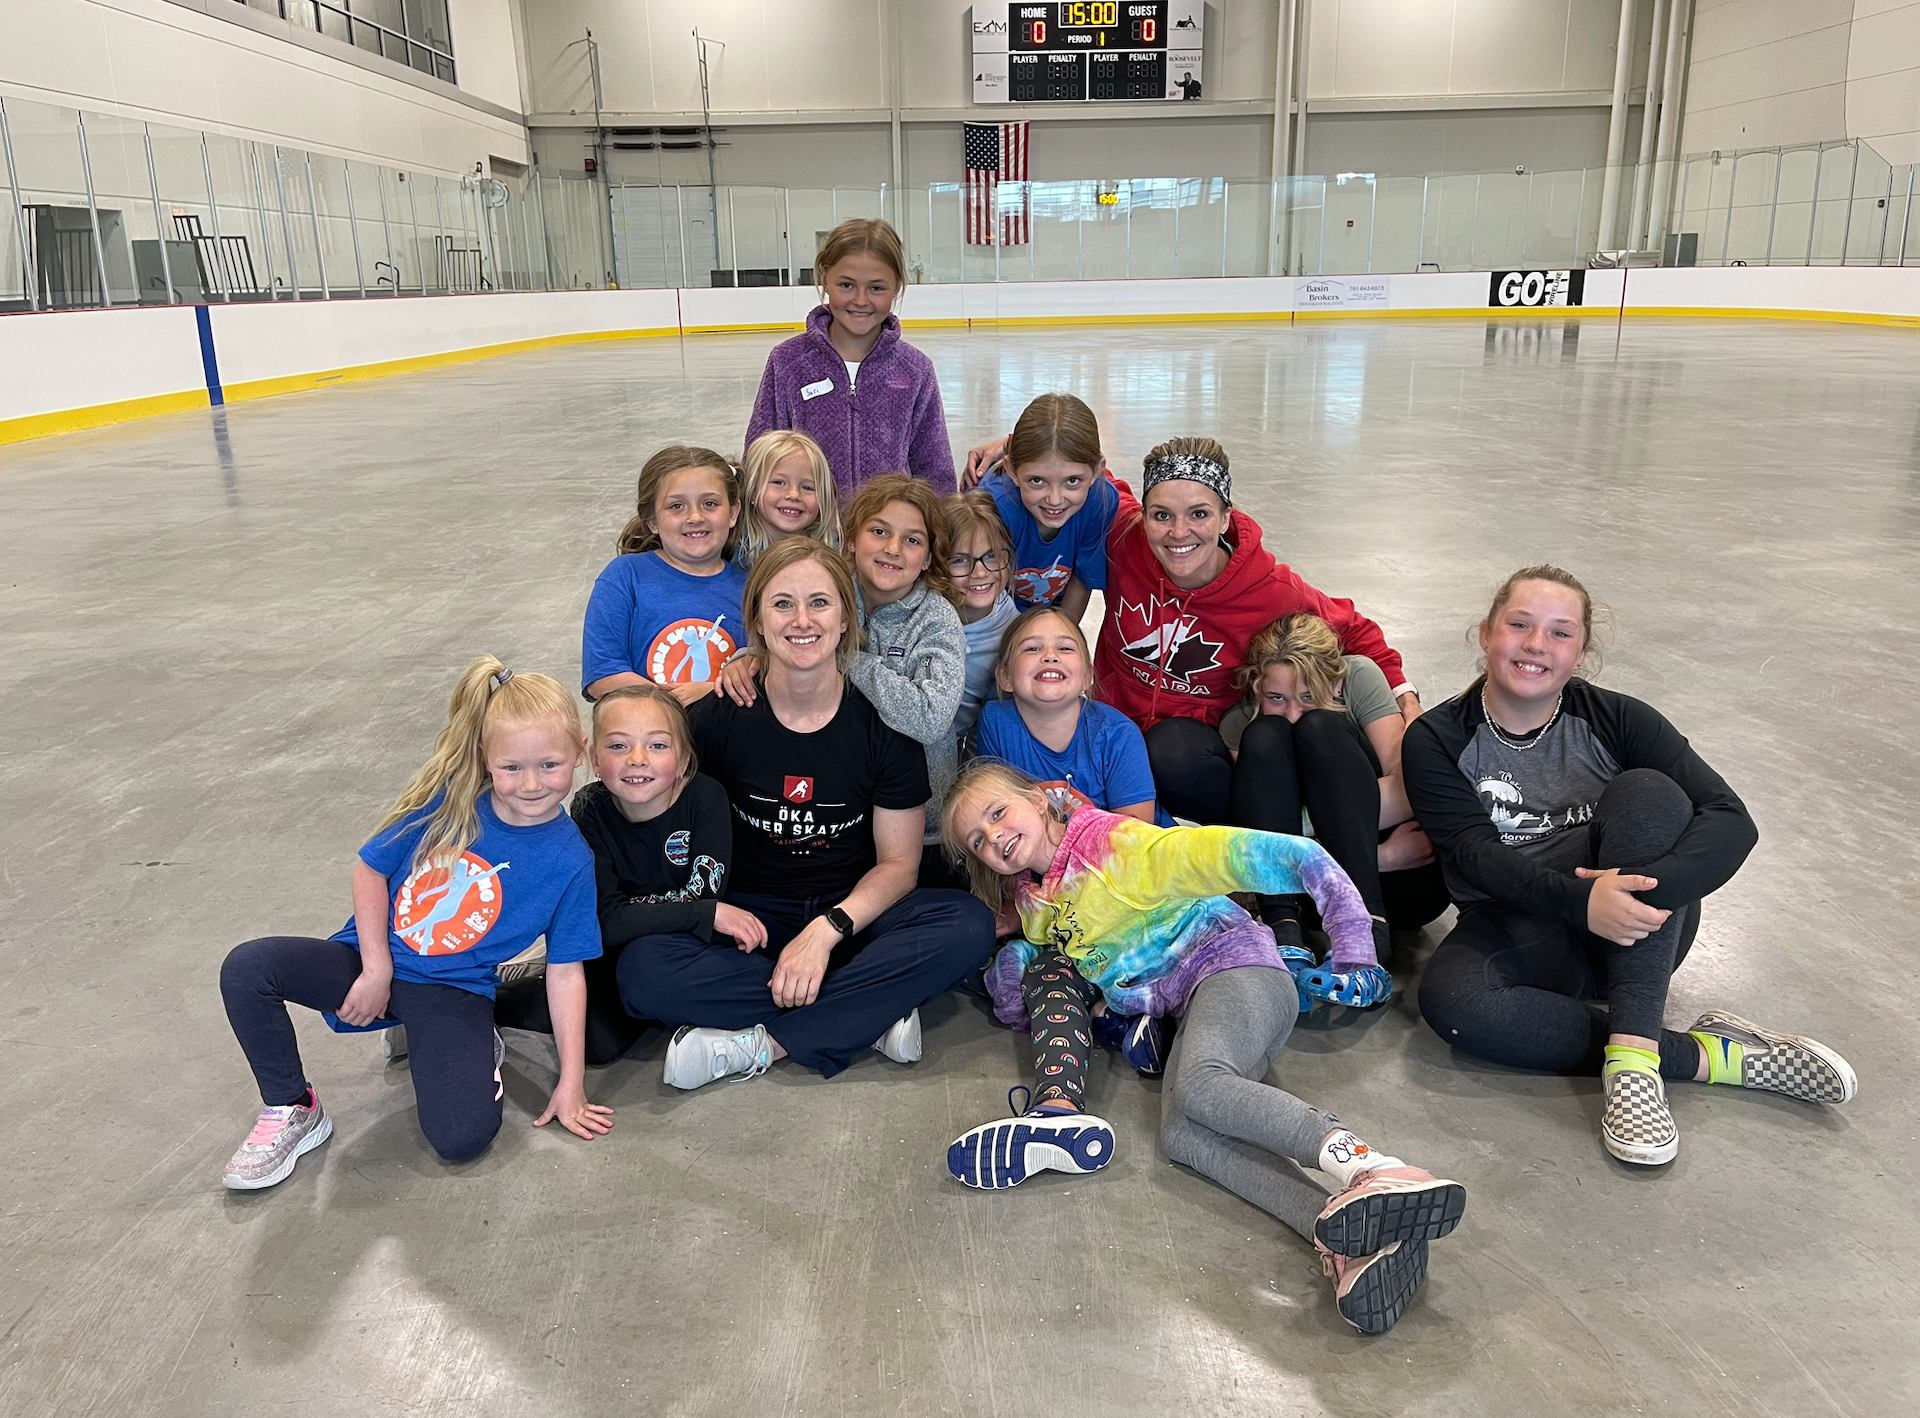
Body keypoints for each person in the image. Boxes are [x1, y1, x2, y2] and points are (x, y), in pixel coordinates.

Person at [939, 762, 1459, 1335]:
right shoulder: (1036, 901)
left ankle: (1376, 1170)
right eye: (977, 841)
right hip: (1188, 1007)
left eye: (997, 814)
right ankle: (1355, 1243)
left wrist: (1355, 945)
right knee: (1183, 1136)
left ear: (1039, 801)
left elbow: (1278, 855)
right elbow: (1042, 961)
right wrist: (1013, 982)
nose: (994, 839)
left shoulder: (1118, 846)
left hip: (1237, 967)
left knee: (1201, 1086)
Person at [1403, 566, 1856, 1166]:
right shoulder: (1435, 738)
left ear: (1581, 653)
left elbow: (1730, 819)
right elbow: (1473, 854)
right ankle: (1704, 1056)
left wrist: (1640, 894)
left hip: (1643, 933)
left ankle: (1634, 1064)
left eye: (1560, 633)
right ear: (1486, 634)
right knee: (1453, 1006)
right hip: (1522, 929)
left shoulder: (1619, 719)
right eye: (1519, 624)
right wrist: (1580, 902)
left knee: (1653, 793)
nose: (1537, 644)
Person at [217, 658, 613, 1190]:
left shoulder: (571, 861)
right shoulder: (449, 806)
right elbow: (370, 870)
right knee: (249, 968)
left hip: (452, 988)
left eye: (549, 765)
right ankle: (293, 1107)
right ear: (485, 758)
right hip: (367, 958)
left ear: (580, 755)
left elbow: (566, 973)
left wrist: (571, 1084)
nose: (531, 783)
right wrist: (376, 967)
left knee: (461, 1137)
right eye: (512, 767)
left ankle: (471, 1042)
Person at [619, 538, 996, 1087]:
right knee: (641, 972)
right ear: (757, 620)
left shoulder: (884, 725)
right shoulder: (719, 716)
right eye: (782, 604)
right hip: (752, 916)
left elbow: (898, 866)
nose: (802, 621)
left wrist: (825, 934)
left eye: (820, 603)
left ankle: (762, 1043)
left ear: (845, 619)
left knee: (968, 924)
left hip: (853, 914)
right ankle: (869, 1010)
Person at [1091, 438, 1416, 830]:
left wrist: (1408, 705)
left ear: (1227, 516)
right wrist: (1012, 446)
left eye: (1199, 514)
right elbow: (1076, 470)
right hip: (1115, 726)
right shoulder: (1122, 536)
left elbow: (1358, 634)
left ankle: (1273, 842)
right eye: (1161, 515)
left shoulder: (1268, 590)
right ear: (1143, 515)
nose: (1179, 532)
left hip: (1198, 750)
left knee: (1171, 752)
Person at [721, 474, 967, 889]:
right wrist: (747, 658)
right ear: (851, 540)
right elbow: (786, 637)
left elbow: (930, 716)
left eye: (912, 540)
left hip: (918, 828)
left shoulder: (937, 620)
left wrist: (842, 655)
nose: (892, 548)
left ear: (928, 558)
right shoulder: (829, 589)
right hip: (836, 815)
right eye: (878, 531)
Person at [493, 683, 740, 1067]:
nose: (637, 759)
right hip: (611, 951)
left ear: (685, 758)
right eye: (618, 746)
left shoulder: (705, 798)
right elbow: (605, 922)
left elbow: (705, 896)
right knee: (598, 1045)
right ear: (592, 757)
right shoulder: (590, 807)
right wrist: (703, 913)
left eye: (657, 745)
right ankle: (475, 1002)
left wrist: (695, 912)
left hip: (675, 950)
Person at [1221, 613, 1450, 956]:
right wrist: (1376, 856)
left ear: (1335, 683)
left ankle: (1368, 931)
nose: (1293, 713)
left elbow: (1409, 791)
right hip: (1315, 890)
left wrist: (1310, 825)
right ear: (1257, 687)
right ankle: (1283, 933)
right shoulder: (1242, 724)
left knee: (1319, 727)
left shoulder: (1359, 676)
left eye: (1308, 695)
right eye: (1276, 698)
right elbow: (1259, 831)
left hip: (1404, 879)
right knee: (1266, 733)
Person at [745, 218, 955, 497]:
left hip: (887, 536)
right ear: (824, 278)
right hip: (808, 536)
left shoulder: (915, 370)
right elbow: (759, 458)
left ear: (897, 287)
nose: (860, 300)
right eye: (846, 284)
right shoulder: (788, 362)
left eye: (877, 288)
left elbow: (934, 470)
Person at [974, 605, 1171, 827]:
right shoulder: (996, 722)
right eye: (1032, 648)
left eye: (1065, 648)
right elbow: (996, 818)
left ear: (1087, 676)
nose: (1050, 656)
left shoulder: (1118, 734)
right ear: (1005, 677)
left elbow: (1134, 842)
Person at [582, 445, 746, 704]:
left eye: (710, 503)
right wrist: (670, 705)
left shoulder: (751, 587)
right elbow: (603, 674)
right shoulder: (624, 577)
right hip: (646, 735)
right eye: (676, 506)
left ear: (733, 513)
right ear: (652, 521)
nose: (695, 517)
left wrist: (705, 691)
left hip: (726, 737)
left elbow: (762, 671)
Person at [973, 393, 1120, 622]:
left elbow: (1082, 579)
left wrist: (1059, 639)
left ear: (1096, 471)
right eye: (1037, 481)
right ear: (1012, 471)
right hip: (989, 617)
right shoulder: (994, 508)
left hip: (1051, 610)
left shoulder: (1100, 501)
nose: (1054, 500)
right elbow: (977, 589)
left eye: (1072, 481)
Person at [943, 489, 1019, 747]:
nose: (979, 572)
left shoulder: (1014, 631)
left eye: (991, 556)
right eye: (961, 560)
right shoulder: (923, 612)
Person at [734, 429, 840, 576]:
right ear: (752, 489)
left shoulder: (829, 552)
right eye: (779, 482)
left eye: (807, 487)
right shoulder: (733, 550)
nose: (794, 494)